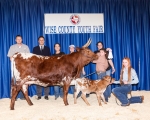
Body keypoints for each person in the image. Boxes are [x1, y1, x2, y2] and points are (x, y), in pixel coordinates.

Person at [7, 35, 30, 100]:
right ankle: (14, 96)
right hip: (16, 67)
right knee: (15, 80)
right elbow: (10, 57)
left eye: (20, 39)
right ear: (15, 40)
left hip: (24, 67)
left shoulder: (26, 47)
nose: (19, 40)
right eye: (18, 39)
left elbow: (28, 57)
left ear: (22, 39)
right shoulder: (12, 47)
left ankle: (23, 96)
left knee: (24, 80)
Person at [33, 36, 50, 100]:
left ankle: (46, 95)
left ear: (44, 41)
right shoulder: (35, 49)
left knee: (46, 81)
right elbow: (34, 59)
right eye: (40, 40)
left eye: (42, 40)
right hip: (38, 68)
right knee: (38, 81)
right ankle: (39, 95)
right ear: (38, 41)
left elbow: (49, 58)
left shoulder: (47, 48)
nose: (41, 41)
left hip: (46, 67)